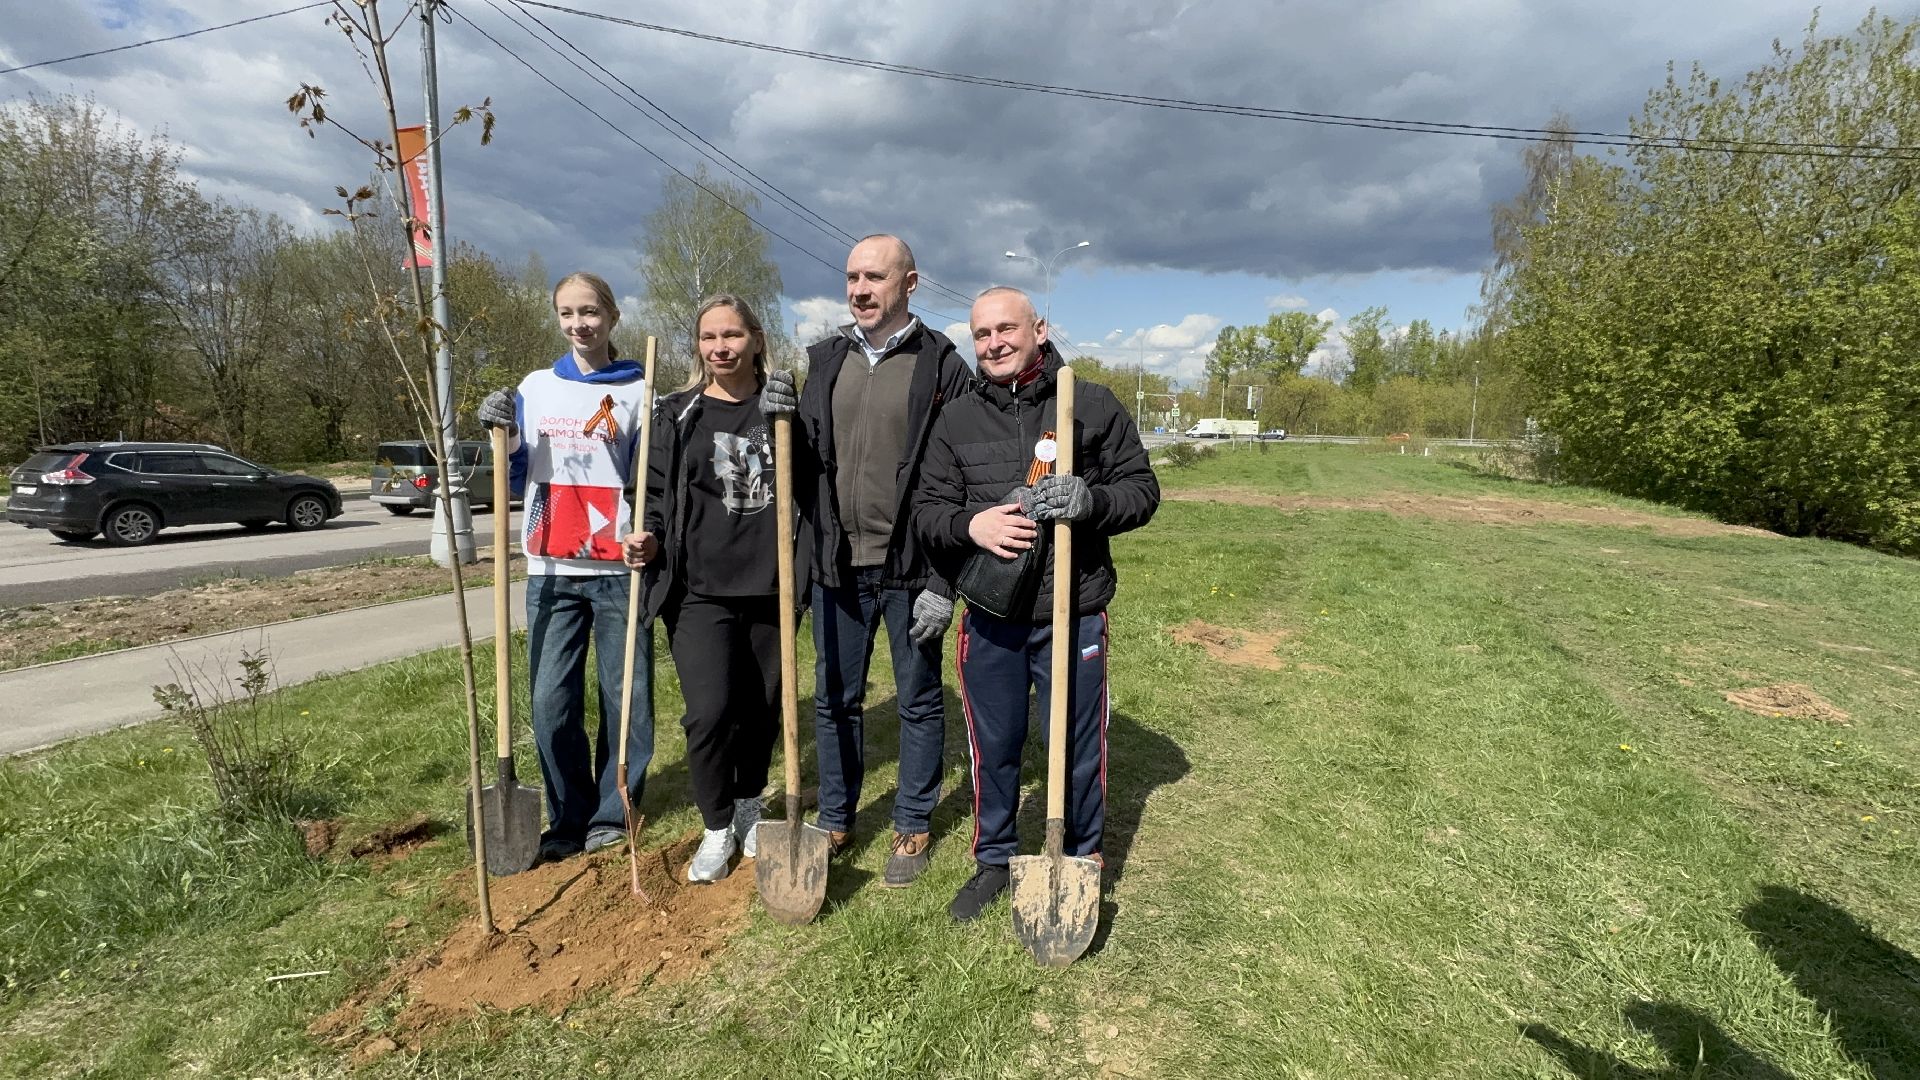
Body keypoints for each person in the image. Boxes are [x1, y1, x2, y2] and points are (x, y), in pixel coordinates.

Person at [910, 286, 1160, 922]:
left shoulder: (1089, 405)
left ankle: (1079, 860)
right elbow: (928, 511)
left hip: (1072, 610)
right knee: (993, 745)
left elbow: (1142, 490)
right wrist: (975, 527)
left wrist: (1091, 501)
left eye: (1005, 329)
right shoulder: (957, 418)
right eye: (981, 334)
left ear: (1039, 329)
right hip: (992, 616)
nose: (993, 343)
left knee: (1076, 743)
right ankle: (994, 859)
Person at [759, 234, 971, 887]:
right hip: (836, 565)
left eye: (874, 277)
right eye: (852, 276)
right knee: (834, 699)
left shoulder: (942, 366)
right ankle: (838, 813)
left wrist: (945, 581)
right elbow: (802, 475)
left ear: (910, 283)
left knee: (917, 698)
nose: (859, 288)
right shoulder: (823, 361)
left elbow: (962, 479)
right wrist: (776, 428)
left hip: (911, 565)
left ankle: (910, 822)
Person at [475, 271, 652, 864]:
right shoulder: (535, 388)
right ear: (558, 319)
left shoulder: (638, 392)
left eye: (591, 311)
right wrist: (501, 435)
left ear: (612, 316)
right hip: (550, 567)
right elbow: (516, 476)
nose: (580, 323)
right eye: (568, 313)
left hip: (617, 568)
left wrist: (646, 535)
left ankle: (612, 811)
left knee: (625, 699)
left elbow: (647, 483)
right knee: (552, 704)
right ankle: (568, 816)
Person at [623, 294, 785, 883]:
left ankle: (748, 806)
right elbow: (653, 496)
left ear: (757, 339)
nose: (720, 347)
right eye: (709, 337)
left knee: (761, 707)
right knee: (710, 713)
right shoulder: (676, 414)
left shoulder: (781, 407)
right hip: (698, 590)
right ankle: (717, 824)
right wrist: (649, 540)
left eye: (733, 335)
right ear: (698, 345)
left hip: (771, 586)